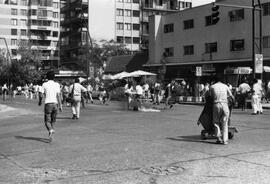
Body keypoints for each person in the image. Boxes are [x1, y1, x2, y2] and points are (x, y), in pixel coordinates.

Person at [209, 75, 234, 145]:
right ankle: (225, 140)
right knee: (225, 122)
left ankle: (218, 138)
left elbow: (209, 96)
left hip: (216, 105)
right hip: (225, 105)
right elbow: (231, 96)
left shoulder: (212, 86)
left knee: (216, 122)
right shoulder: (225, 86)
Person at [39, 71, 62, 141]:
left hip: (48, 104)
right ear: (54, 77)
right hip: (55, 104)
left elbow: (41, 94)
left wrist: (40, 101)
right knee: (53, 120)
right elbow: (58, 95)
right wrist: (60, 105)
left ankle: (50, 130)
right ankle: (51, 134)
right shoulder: (57, 84)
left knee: (47, 121)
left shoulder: (44, 84)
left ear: (47, 77)